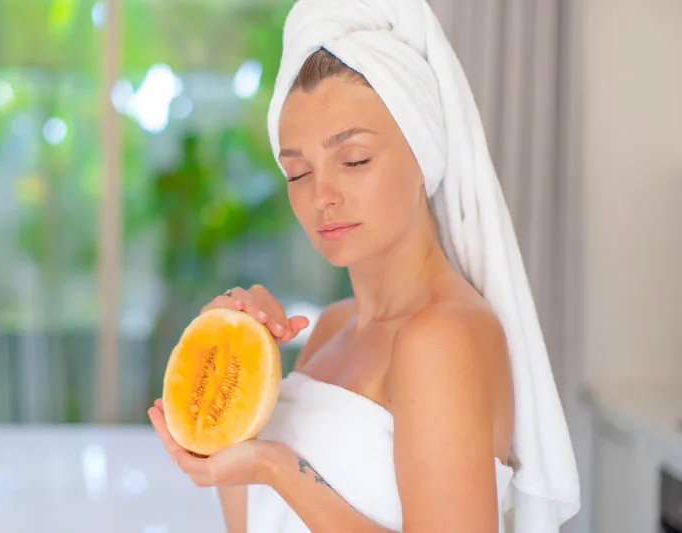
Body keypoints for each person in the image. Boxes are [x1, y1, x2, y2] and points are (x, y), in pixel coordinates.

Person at [148, 1, 581, 532]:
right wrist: (230, 405)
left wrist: (277, 468)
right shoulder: (331, 327)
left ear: (423, 154)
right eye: (297, 172)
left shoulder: (442, 338)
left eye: (354, 160)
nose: (321, 196)